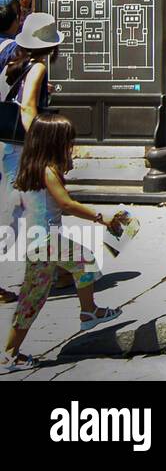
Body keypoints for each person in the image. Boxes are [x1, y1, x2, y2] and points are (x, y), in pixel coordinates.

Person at [2, 113, 124, 370]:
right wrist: (101, 218)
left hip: (35, 242)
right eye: (68, 142)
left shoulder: (32, 170)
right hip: (48, 239)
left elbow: (58, 207)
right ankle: (89, 311)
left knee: (32, 299)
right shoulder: (48, 171)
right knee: (86, 259)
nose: (72, 147)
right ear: (54, 143)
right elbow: (66, 204)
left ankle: (9, 354)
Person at [1, 13, 64, 305]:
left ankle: (55, 267)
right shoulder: (37, 67)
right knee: (36, 210)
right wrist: (39, 145)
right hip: (22, 148)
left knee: (15, 211)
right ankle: (49, 271)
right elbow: (27, 108)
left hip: (6, 143)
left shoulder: (11, 58)